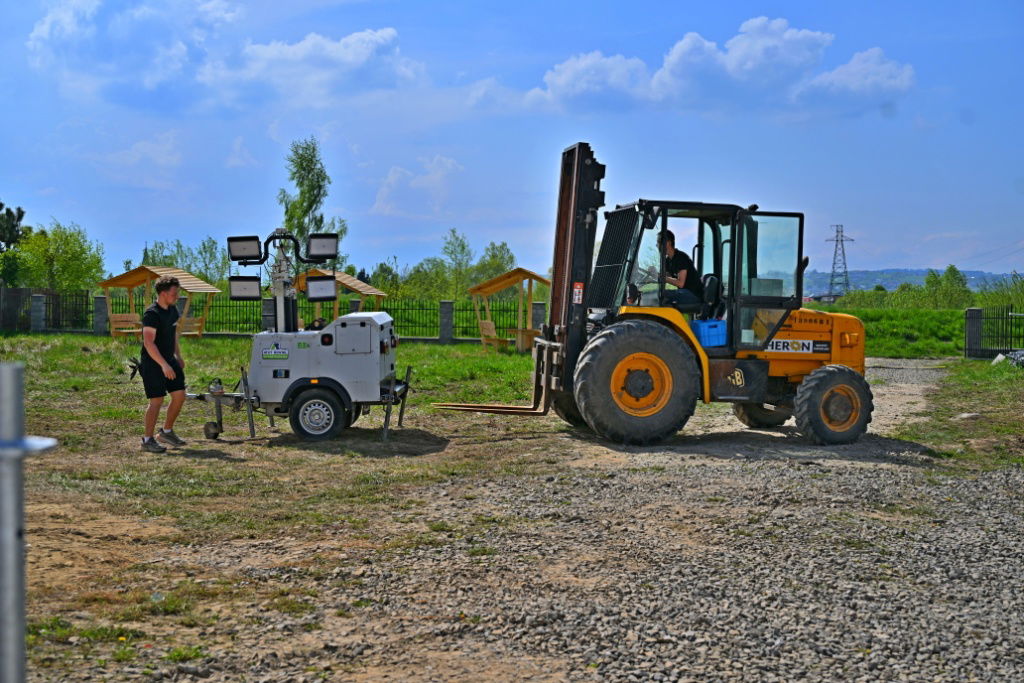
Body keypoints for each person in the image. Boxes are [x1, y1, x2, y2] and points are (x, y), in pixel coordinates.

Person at [139, 276, 187, 453]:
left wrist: (177, 356)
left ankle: (166, 432)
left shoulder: (173, 310)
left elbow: (173, 335)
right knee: (157, 401)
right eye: (174, 294)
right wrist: (163, 365)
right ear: (164, 293)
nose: (177, 296)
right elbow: (148, 343)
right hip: (153, 363)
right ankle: (147, 440)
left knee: (180, 395)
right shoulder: (152, 314)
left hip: (170, 359)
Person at [657, 229, 704, 307]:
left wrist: (662, 277)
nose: (657, 245)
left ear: (668, 242)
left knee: (662, 295)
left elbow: (680, 283)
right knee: (658, 294)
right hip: (683, 293)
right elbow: (667, 276)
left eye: (659, 242)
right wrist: (654, 274)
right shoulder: (668, 260)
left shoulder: (681, 258)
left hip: (693, 294)